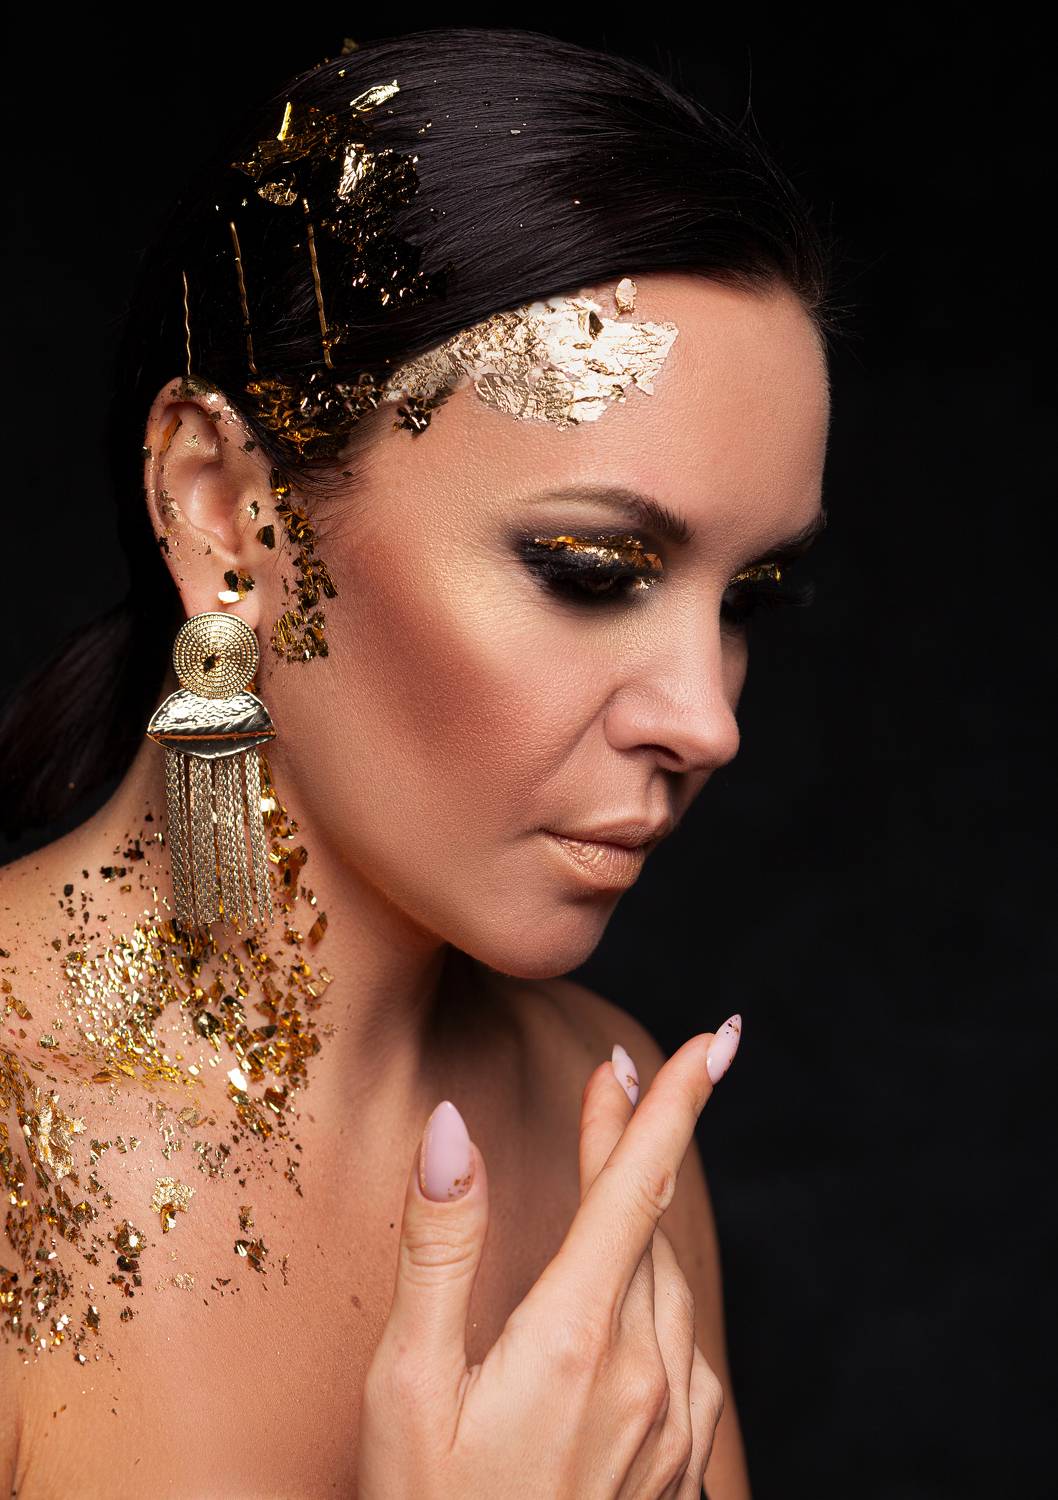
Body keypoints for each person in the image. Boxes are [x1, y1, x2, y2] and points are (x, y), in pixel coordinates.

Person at [0, 26, 834, 1498]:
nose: (707, 719)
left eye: (746, 602)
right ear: (228, 511)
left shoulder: (609, 1122)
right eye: (589, 569)